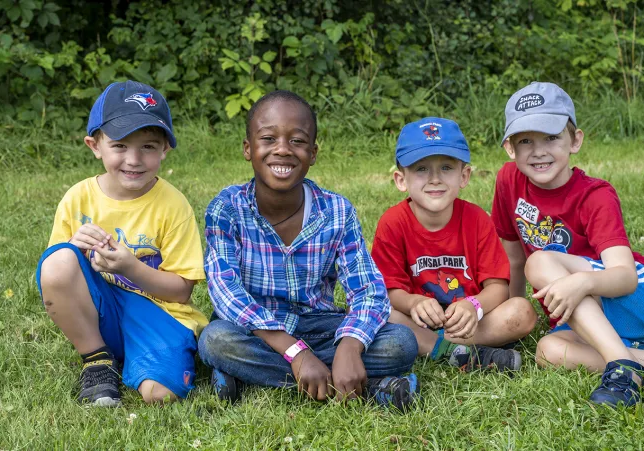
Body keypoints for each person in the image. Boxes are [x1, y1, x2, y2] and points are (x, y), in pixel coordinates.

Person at [198, 90, 419, 411]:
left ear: (313, 153)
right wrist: (296, 354)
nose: (283, 149)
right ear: (249, 149)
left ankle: (248, 376)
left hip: (319, 325)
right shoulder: (227, 208)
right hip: (258, 331)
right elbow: (225, 291)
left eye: (297, 141)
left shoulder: (337, 211)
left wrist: (350, 347)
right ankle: (369, 385)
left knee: (401, 342)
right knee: (216, 340)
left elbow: (370, 292)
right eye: (268, 138)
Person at [492, 81, 644, 407]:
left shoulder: (595, 195)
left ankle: (625, 368)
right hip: (588, 313)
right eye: (525, 140)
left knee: (540, 261)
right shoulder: (509, 181)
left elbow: (625, 275)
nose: (538, 150)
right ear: (510, 148)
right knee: (549, 352)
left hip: (632, 296)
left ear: (575, 140)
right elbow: (514, 260)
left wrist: (582, 282)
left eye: (551, 137)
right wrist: (510, 324)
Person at [36, 80, 207, 406]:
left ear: (164, 150)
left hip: (161, 313)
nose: (134, 159)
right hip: (104, 310)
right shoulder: (78, 198)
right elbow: (57, 276)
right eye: (119, 146)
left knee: (161, 394)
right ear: (94, 145)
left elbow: (183, 290)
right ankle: (97, 359)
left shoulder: (173, 205)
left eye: (148, 146)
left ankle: (148, 356)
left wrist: (132, 267)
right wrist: (75, 247)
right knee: (58, 260)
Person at [371, 117, 537, 372]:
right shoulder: (393, 223)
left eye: (446, 167)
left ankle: (443, 348)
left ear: (464, 175)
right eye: (421, 168)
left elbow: (498, 288)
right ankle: (458, 352)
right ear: (400, 179)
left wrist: (475, 306)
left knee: (522, 311)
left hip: (470, 323)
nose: (435, 178)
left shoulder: (477, 219)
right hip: (419, 321)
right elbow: (389, 292)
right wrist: (413, 303)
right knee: (379, 315)